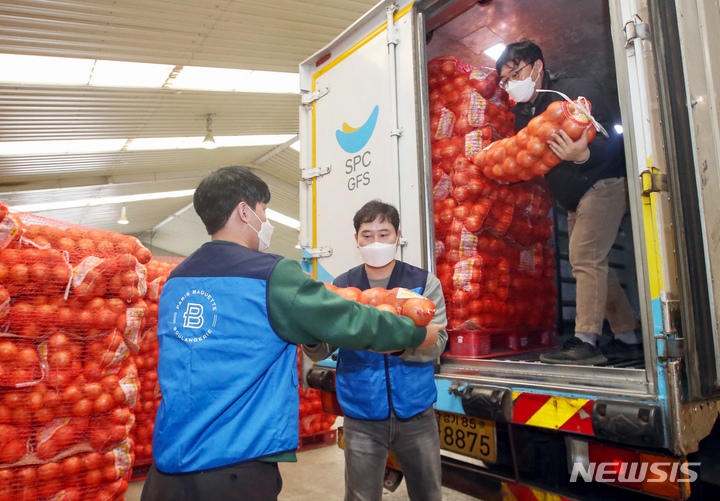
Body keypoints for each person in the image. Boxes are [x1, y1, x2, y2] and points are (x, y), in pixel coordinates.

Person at [140, 167, 442, 501]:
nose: (266, 220)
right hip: (235, 463)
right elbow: (354, 320)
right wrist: (413, 334)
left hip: (169, 464)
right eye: (264, 210)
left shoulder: (177, 279)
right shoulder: (269, 274)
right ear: (245, 212)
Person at [495, 40, 640, 365]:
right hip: (574, 198)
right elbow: (529, 158)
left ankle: (586, 341)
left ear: (538, 67)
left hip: (603, 182)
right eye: (505, 81)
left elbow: (614, 134)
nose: (511, 85)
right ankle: (627, 338)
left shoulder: (574, 91)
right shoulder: (523, 114)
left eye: (515, 73)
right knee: (595, 264)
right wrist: (506, 171)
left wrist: (585, 153)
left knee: (585, 257)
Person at [303, 200, 448, 501]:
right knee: (360, 497)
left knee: (429, 494)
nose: (376, 242)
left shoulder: (422, 283)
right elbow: (321, 350)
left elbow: (439, 341)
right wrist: (310, 332)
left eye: (384, 234)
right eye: (367, 235)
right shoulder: (343, 288)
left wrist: (397, 348)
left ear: (397, 236)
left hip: (416, 412)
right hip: (362, 414)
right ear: (356, 240)